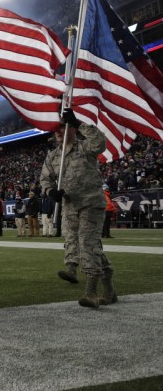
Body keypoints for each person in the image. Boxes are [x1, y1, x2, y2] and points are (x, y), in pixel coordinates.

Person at [39, 108, 117, 307]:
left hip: (90, 203)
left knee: (87, 243)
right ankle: (108, 289)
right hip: (70, 206)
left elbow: (100, 144)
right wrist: (50, 192)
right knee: (84, 244)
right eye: (56, 128)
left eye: (63, 127)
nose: (58, 131)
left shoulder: (84, 147)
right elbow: (45, 179)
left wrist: (79, 122)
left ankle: (91, 292)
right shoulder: (53, 156)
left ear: (73, 129)